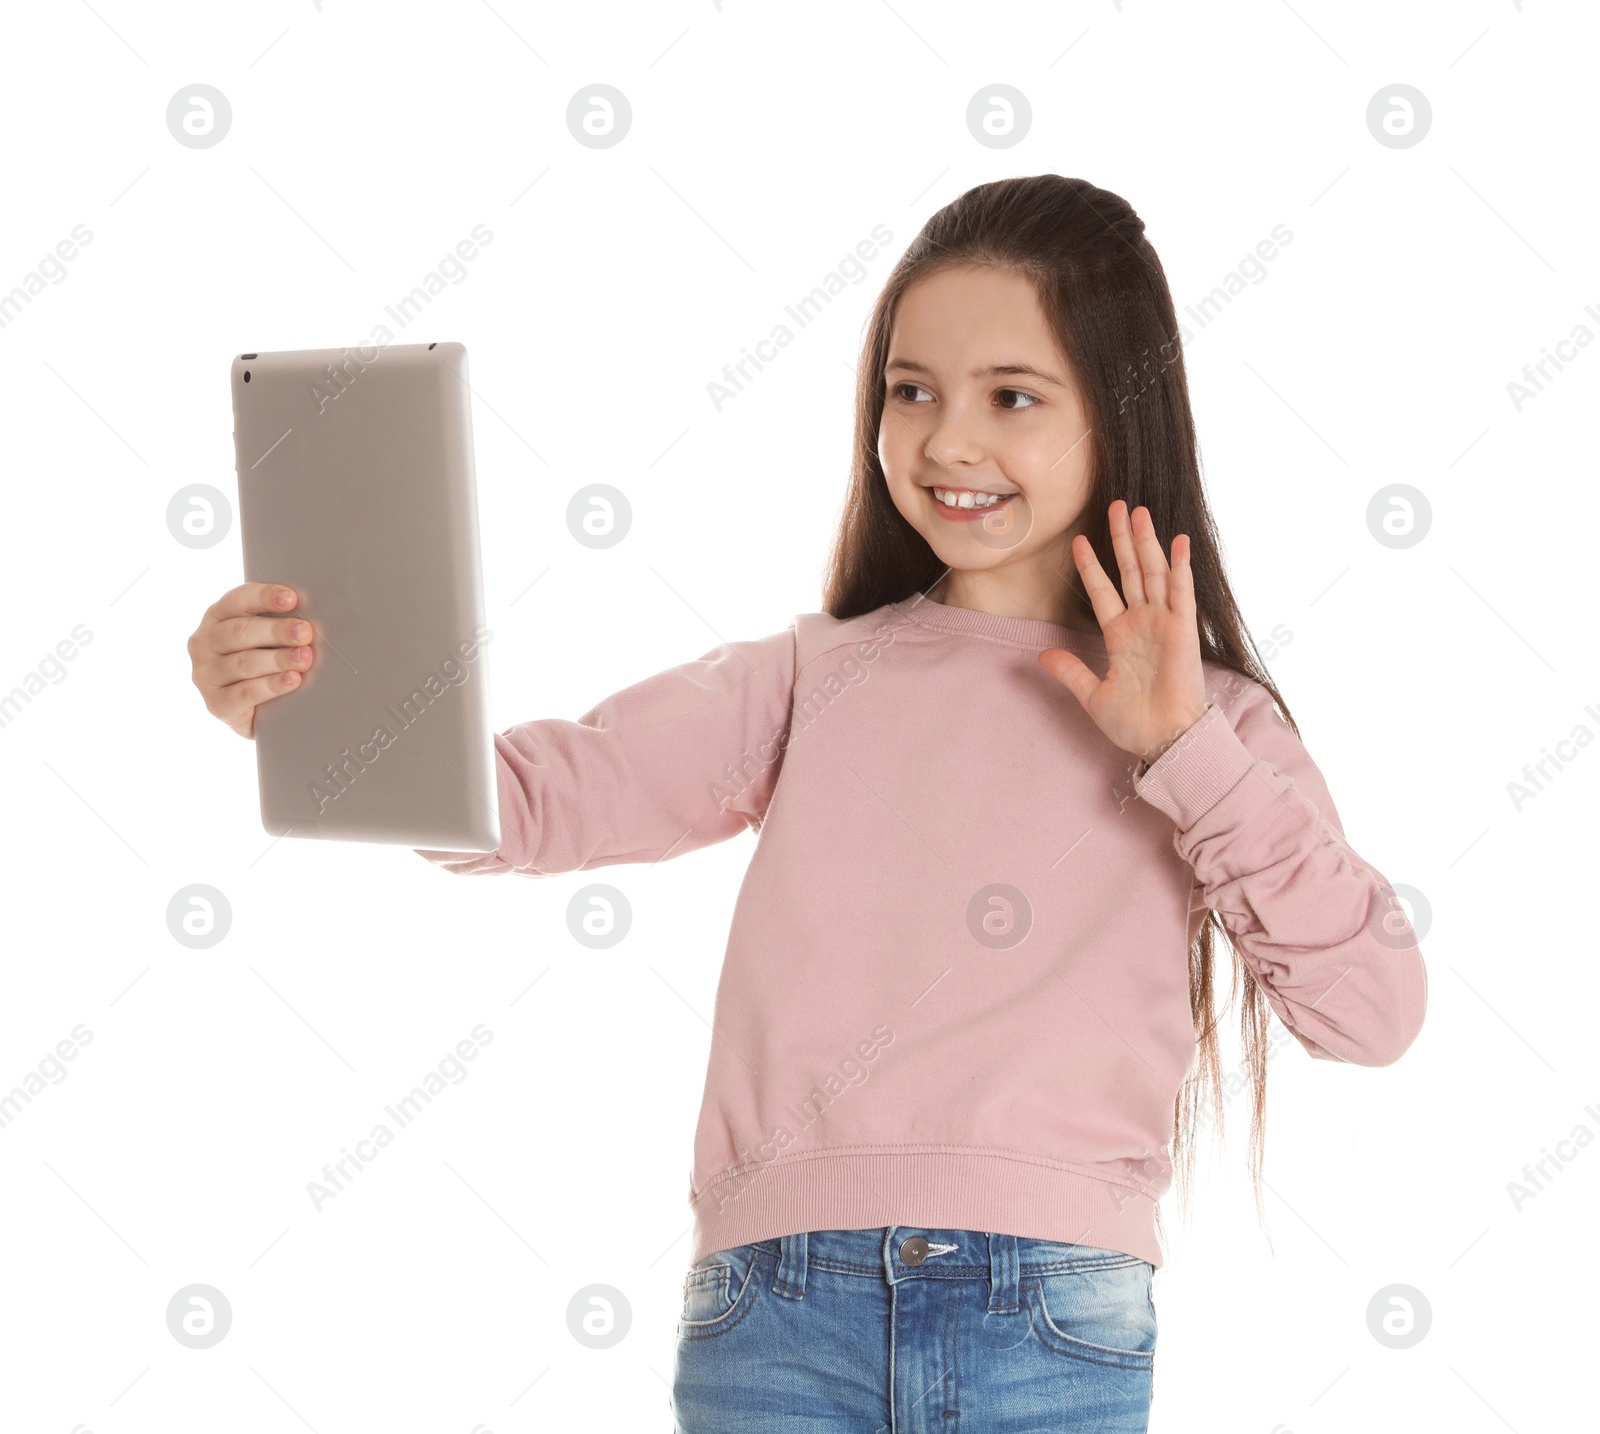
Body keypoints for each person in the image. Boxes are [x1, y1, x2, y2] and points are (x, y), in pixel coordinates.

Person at [187, 174, 1427, 1432]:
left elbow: (1371, 1011)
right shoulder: (810, 677)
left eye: (1011, 396)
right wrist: (310, 701)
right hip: (774, 1314)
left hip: (1049, 1315)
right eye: (910, 391)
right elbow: (517, 804)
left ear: (1120, 412)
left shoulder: (1216, 729)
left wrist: (1182, 749)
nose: (945, 441)